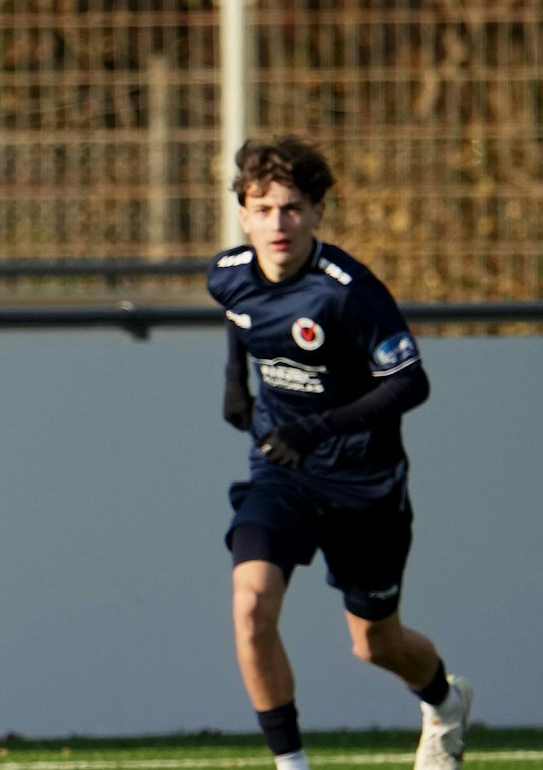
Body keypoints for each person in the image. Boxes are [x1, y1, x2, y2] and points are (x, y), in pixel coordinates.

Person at [208, 137, 470, 770]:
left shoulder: (349, 292)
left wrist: (313, 429)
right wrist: (234, 384)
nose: (278, 223)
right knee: (250, 604)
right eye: (263, 208)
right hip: (281, 475)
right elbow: (243, 323)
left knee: (375, 644)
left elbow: (411, 382)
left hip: (364, 486)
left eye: (293, 208)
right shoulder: (228, 274)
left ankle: (445, 701)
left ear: (320, 212)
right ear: (243, 211)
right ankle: (291, 765)